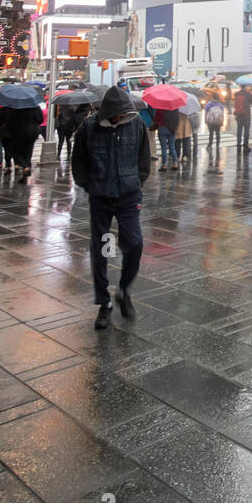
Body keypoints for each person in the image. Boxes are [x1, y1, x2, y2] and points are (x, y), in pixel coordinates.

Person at [71, 85, 151, 330]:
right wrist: (91, 186)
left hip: (128, 197)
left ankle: (124, 289)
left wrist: (136, 181)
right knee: (103, 250)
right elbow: (79, 163)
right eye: (116, 114)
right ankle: (103, 303)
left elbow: (143, 159)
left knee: (134, 244)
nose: (119, 118)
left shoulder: (135, 124)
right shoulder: (89, 128)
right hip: (102, 199)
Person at [0, 103, 43, 184]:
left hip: (19, 132)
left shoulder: (15, 108)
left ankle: (25, 167)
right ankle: (25, 172)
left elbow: (6, 121)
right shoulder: (35, 107)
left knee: (15, 151)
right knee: (28, 151)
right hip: (33, 131)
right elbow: (40, 120)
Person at [234, 86, 251, 153]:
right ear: (245, 86)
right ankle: (246, 145)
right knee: (246, 131)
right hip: (246, 115)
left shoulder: (236, 93)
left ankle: (238, 143)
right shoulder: (248, 94)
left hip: (238, 115)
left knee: (239, 130)